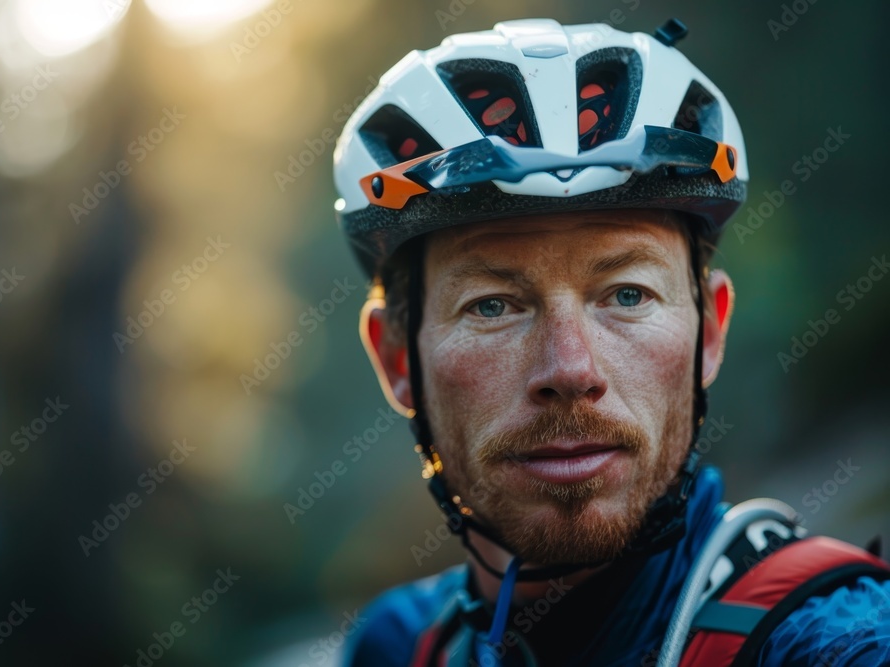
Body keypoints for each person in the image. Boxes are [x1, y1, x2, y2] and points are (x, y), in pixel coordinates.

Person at [331, 17, 890, 667]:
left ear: (710, 329)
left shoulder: (829, 642)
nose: (571, 368)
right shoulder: (398, 647)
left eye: (627, 294)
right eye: (492, 304)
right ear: (398, 359)